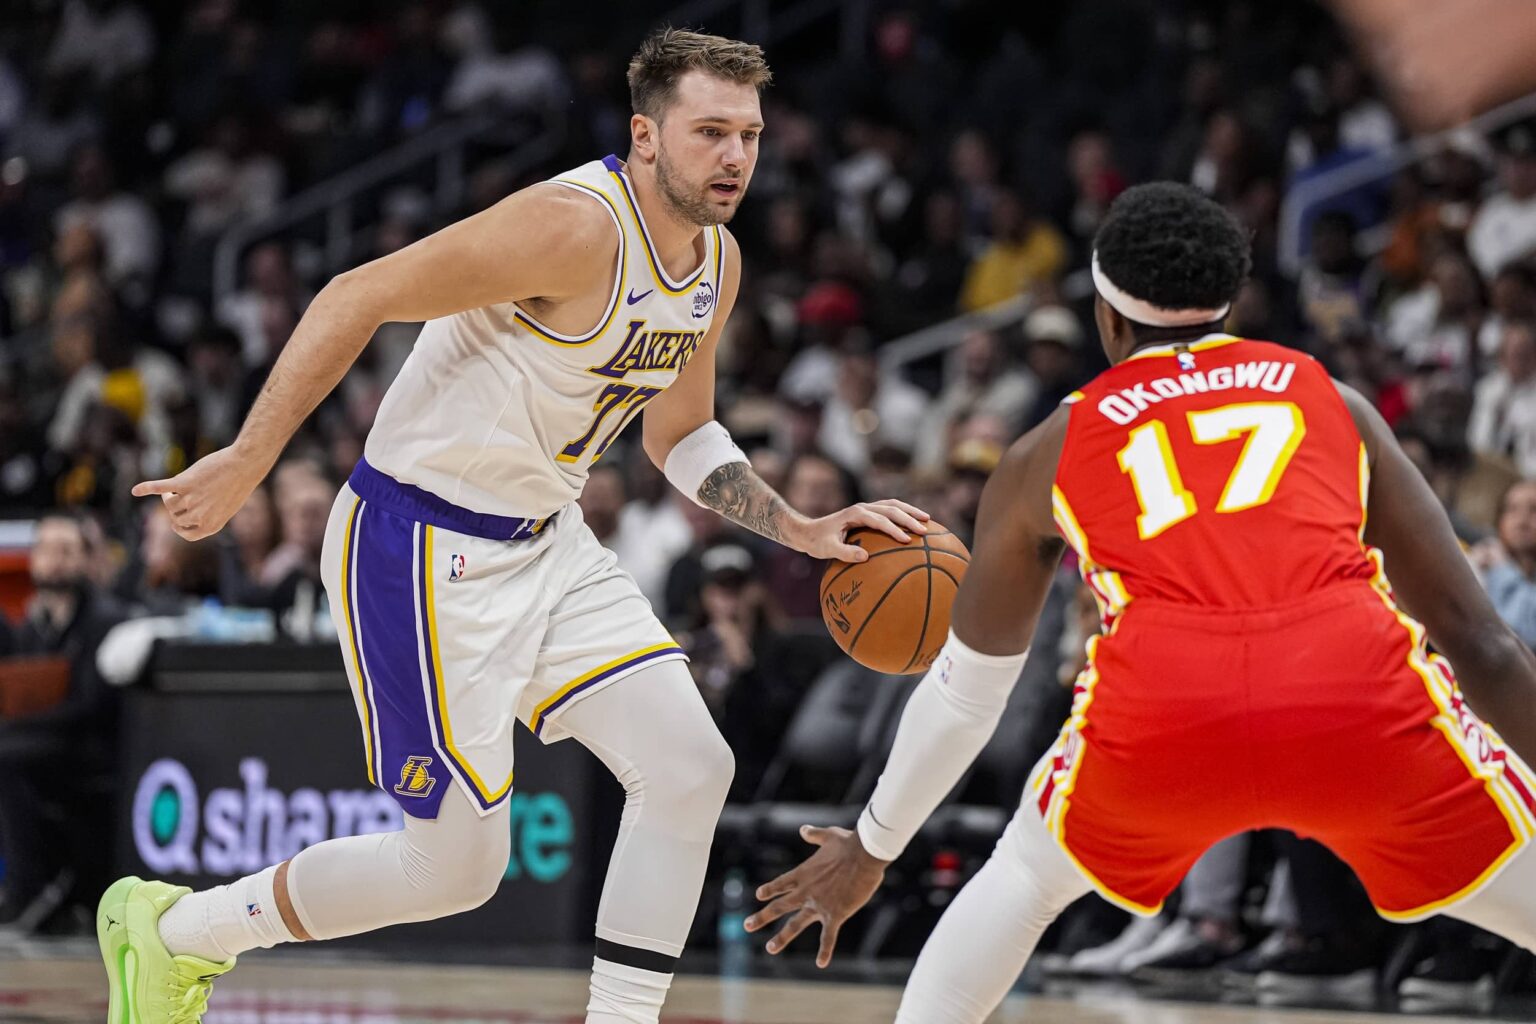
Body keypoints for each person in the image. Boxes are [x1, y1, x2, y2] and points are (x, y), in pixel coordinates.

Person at [100, 28, 928, 1024]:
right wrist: (248, 458)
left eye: (748, 133)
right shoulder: (572, 229)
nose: (736, 156)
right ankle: (178, 930)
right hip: (415, 543)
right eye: (710, 131)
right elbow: (356, 293)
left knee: (691, 766)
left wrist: (798, 526)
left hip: (547, 537)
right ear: (646, 136)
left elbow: (682, 430)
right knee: (455, 867)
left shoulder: (718, 261)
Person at [746, 183, 1536, 1022]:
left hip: (1164, 715)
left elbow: (966, 692)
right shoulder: (1329, 399)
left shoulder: (1048, 446)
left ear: (1108, 319)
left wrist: (871, 846)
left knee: (1022, 877)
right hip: (1352, 695)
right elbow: (1476, 639)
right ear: (1230, 304)